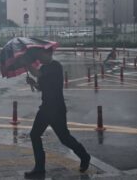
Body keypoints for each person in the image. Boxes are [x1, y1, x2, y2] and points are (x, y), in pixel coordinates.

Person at [24, 48, 91, 179]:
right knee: (34, 135)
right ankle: (39, 168)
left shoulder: (55, 66)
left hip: (57, 109)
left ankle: (84, 156)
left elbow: (39, 74)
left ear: (49, 54)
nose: (39, 57)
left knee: (64, 138)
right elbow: (41, 87)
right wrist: (33, 83)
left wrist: (27, 64)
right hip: (45, 108)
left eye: (40, 54)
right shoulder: (43, 68)